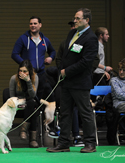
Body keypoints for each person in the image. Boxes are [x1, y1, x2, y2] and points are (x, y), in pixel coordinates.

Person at [46, 8, 98, 153]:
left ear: (87, 20)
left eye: (78, 18)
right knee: (65, 113)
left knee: (85, 112)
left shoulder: (91, 38)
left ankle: (90, 144)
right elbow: (64, 55)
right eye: (74, 18)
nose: (75, 21)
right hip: (67, 82)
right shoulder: (72, 33)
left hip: (80, 82)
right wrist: (61, 70)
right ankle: (63, 143)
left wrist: (67, 71)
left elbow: (86, 62)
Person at [49, 21, 84, 147]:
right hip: (64, 81)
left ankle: (78, 136)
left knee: (78, 109)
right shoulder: (65, 43)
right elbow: (58, 59)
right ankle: (64, 138)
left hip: (79, 81)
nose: (73, 28)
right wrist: (62, 71)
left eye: (75, 26)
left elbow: (89, 61)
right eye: (72, 26)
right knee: (65, 108)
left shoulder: (85, 42)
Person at [11, 16, 56, 100]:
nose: (33, 25)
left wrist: (51, 57)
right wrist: (26, 65)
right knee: (29, 98)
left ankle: (38, 113)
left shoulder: (45, 40)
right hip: (27, 75)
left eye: (35, 23)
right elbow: (14, 54)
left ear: (40, 25)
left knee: (40, 97)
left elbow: (53, 51)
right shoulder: (23, 39)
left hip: (41, 74)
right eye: (31, 23)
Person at [9, 60, 39, 148]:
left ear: (29, 71)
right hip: (18, 106)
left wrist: (28, 81)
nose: (22, 73)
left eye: (25, 71)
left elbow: (33, 95)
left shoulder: (35, 78)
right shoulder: (14, 79)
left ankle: (23, 129)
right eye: (20, 71)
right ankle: (33, 140)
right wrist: (21, 101)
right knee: (32, 107)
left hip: (30, 105)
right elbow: (12, 97)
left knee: (32, 104)